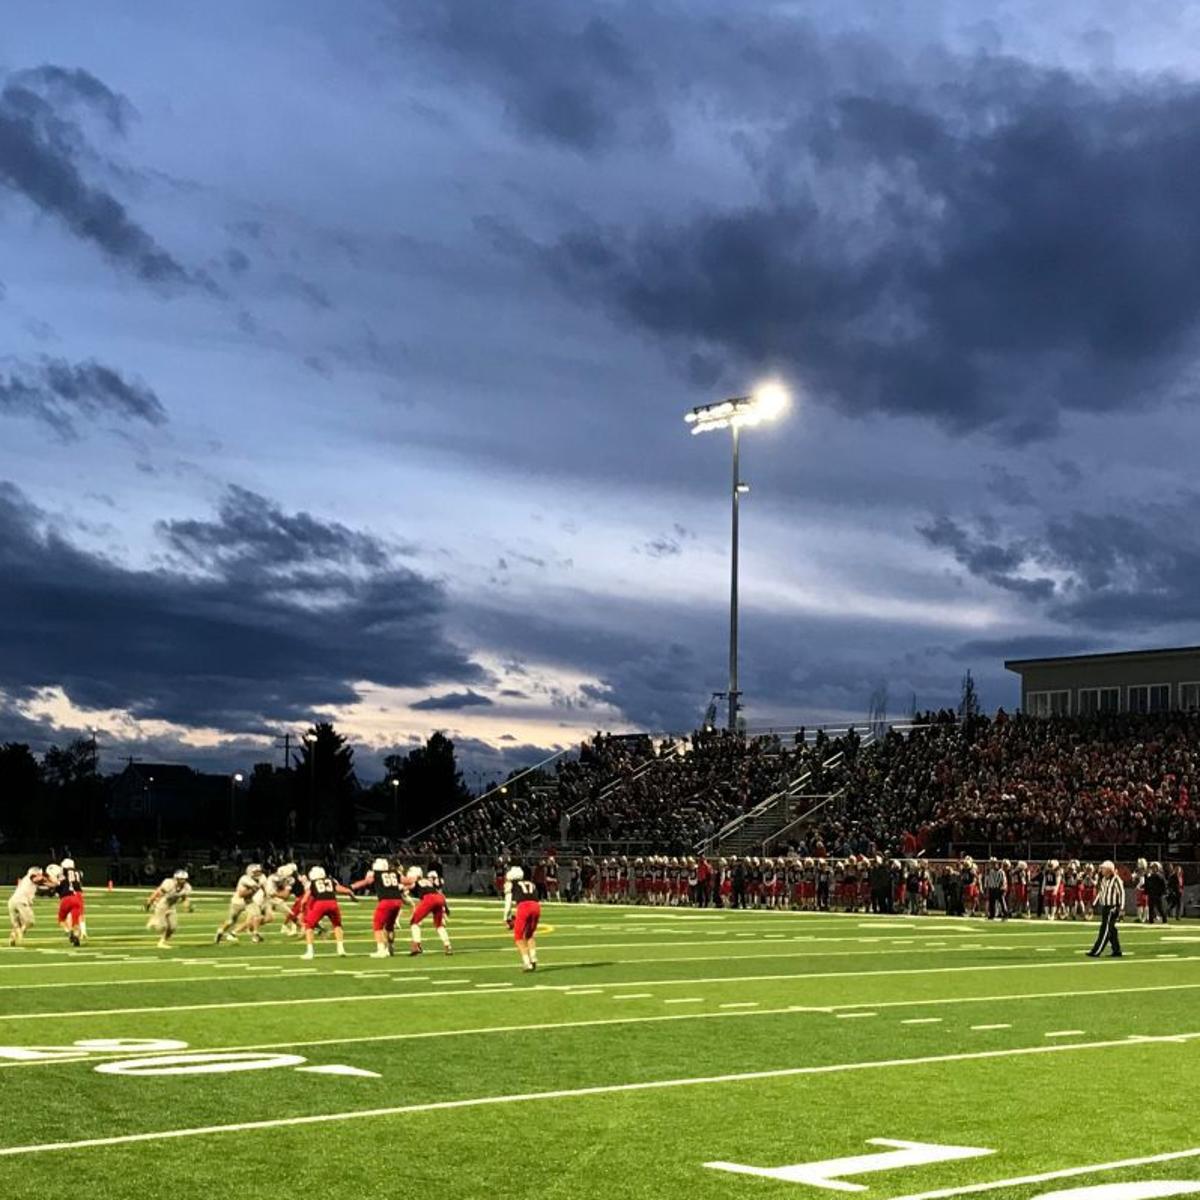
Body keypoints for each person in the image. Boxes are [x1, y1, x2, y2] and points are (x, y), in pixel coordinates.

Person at [351, 858, 406, 957]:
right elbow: (406, 881)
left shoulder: (376, 874)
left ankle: (381, 950)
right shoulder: (394, 873)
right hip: (398, 901)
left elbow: (366, 882)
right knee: (390, 926)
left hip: (386, 901)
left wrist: (352, 886)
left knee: (377, 925)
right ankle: (390, 947)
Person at [300, 866, 355, 960]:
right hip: (333, 903)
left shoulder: (312, 883)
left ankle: (310, 952)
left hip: (320, 904)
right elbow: (339, 888)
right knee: (337, 925)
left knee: (309, 926)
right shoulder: (330, 880)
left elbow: (304, 899)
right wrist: (349, 892)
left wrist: (302, 910)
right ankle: (341, 949)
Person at [404, 867, 452, 957]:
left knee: (414, 922)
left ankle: (416, 945)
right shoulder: (427, 881)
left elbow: (403, 889)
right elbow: (440, 894)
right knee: (439, 925)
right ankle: (447, 945)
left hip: (429, 899)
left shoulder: (413, 883)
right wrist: (445, 908)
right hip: (439, 898)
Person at [503, 865, 540, 972]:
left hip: (524, 907)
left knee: (518, 937)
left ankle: (526, 962)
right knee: (529, 934)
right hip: (536, 906)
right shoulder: (530, 883)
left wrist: (507, 918)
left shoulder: (511, 884)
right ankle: (533, 957)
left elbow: (508, 903)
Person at [215, 864, 264, 943]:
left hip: (248, 901)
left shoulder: (257, 880)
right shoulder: (245, 879)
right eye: (256, 872)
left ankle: (255, 935)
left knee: (257, 915)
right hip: (238, 901)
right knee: (230, 921)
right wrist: (255, 888)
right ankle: (219, 933)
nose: (258, 873)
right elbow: (242, 894)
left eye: (259, 872)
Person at [145, 870, 192, 949]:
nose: (183, 881)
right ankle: (153, 920)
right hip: (162, 904)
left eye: (184, 879)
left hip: (171, 906)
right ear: (176, 878)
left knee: (173, 927)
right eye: (181, 879)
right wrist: (150, 901)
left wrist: (187, 907)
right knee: (162, 926)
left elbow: (184, 898)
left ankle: (162, 942)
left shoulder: (187, 887)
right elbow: (158, 892)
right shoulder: (168, 883)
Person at [1087, 861, 1125, 959]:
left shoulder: (1117, 880)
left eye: (1103, 868)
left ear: (1109, 870)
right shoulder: (1104, 879)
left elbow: (1122, 894)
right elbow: (1101, 893)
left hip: (1112, 907)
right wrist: (1094, 905)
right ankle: (1117, 950)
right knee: (1111, 929)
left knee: (1105, 929)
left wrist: (1121, 908)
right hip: (1105, 906)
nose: (1101, 870)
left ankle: (1096, 951)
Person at [7, 866, 47, 947]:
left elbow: (41, 888)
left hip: (12, 902)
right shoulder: (31, 878)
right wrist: (48, 878)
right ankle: (20, 933)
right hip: (21, 901)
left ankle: (13, 938)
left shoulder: (26, 880)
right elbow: (37, 880)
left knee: (18, 924)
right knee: (30, 922)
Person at [53, 858, 87, 945]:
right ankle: (80, 932)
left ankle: (69, 931)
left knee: (63, 918)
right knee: (78, 916)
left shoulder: (63, 872)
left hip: (68, 896)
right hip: (77, 895)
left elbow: (59, 883)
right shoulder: (78, 872)